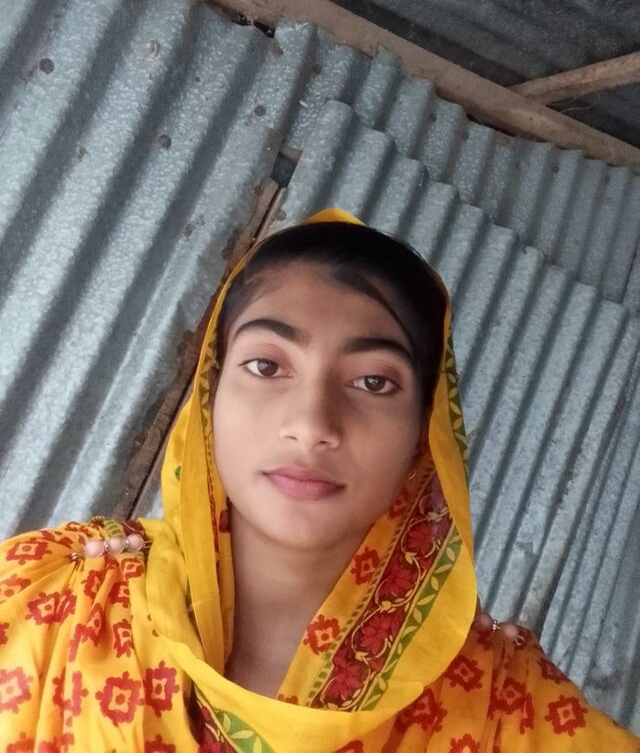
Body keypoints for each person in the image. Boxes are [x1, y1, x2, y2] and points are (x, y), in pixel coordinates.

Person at [0, 209, 636, 751]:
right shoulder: (48, 599)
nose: (311, 425)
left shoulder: (506, 710)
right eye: (266, 365)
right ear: (208, 395)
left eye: (373, 382)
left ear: (425, 437)